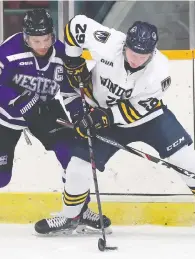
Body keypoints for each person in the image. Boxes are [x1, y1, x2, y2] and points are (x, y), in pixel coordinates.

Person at [34, 14, 195, 234]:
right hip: (101, 114)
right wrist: (73, 60)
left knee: (188, 160)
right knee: (79, 167)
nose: (136, 60)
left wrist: (104, 117)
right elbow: (75, 25)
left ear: (152, 53)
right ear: (125, 45)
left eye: (143, 56)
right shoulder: (108, 42)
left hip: (149, 119)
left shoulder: (160, 72)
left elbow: (137, 110)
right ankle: (70, 216)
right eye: (132, 53)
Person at [0, 9, 111, 235]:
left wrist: (80, 116)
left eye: (46, 39)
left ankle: (79, 209)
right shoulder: (8, 51)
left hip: (46, 112)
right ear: (25, 37)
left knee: (72, 157)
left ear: (52, 35)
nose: (41, 45)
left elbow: (70, 92)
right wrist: (18, 100)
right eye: (35, 40)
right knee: (2, 177)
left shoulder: (62, 53)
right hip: (6, 118)